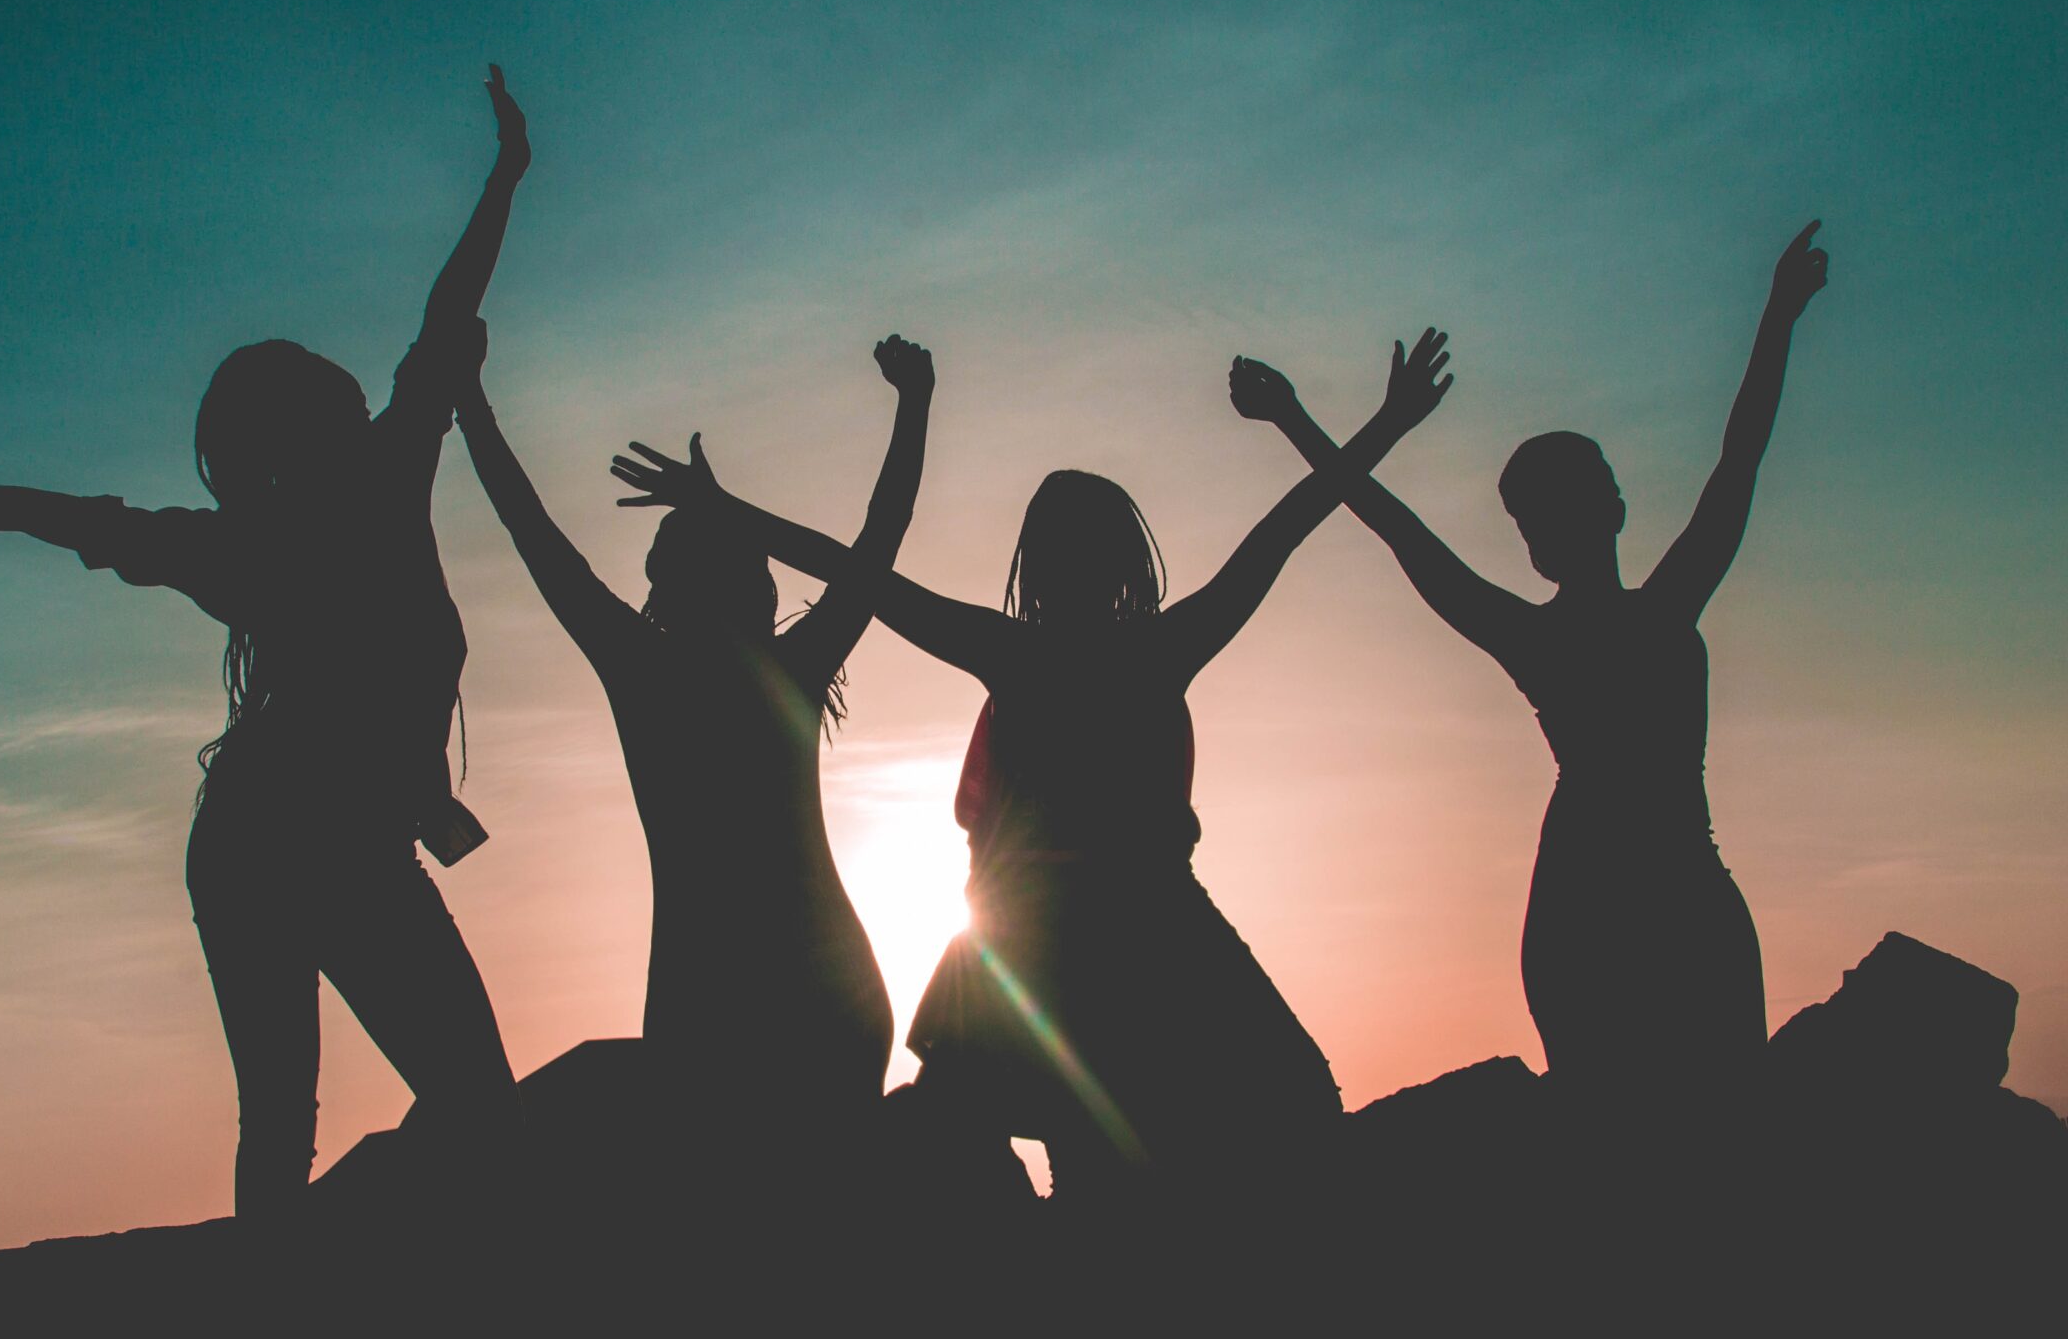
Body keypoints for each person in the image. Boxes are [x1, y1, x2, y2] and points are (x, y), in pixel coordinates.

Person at [0, 67, 537, 1216]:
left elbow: (38, 510)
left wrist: (505, 175)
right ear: (311, 432)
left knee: (366, 1119)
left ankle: (334, 1285)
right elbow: (30, 510)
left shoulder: (321, 502)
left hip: (297, 834)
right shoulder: (351, 494)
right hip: (285, 841)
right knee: (334, 1119)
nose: (365, 406)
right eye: (337, 402)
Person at [611, 334, 1455, 1198]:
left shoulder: (1021, 650)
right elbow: (1291, 522)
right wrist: (1371, 422)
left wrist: (725, 507)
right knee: (1256, 1110)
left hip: (1050, 935)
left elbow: (854, 562)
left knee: (1116, 1147)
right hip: (1128, 929)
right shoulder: (1151, 647)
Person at [1230, 224, 1831, 1098]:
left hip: (1637, 903)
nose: (1542, 531)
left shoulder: (1563, 635)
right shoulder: (1632, 619)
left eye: (1543, 513)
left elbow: (1400, 529)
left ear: (1603, 511)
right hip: (1619, 911)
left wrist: (1299, 418)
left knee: (1673, 1123)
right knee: (1683, 1126)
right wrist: (1778, 316)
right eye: (1532, 518)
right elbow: (1738, 459)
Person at [456, 329, 935, 1128]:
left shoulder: (646, 670)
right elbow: (879, 539)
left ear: (664, 589)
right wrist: (914, 404)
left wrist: (472, 405)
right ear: (758, 585)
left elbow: (532, 532)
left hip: (709, 1012)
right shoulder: (789, 668)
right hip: (831, 1007)